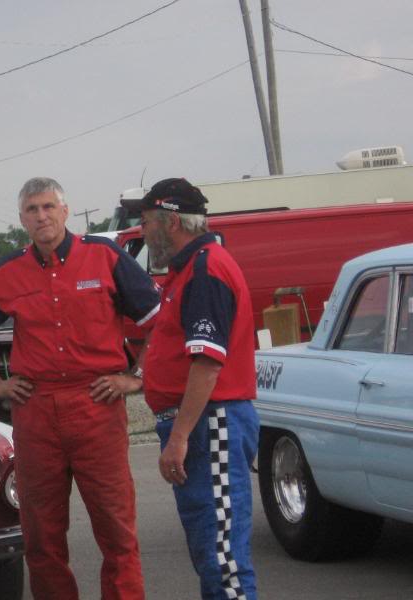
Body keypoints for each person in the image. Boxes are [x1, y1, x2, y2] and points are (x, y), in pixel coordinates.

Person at [0, 177, 160, 600]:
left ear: (65, 211)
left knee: (116, 531)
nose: (42, 215)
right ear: (22, 220)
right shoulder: (9, 271)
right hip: (37, 411)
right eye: (33, 209)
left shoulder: (104, 257)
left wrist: (135, 378)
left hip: (96, 406)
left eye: (49, 206)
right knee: (42, 538)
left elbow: (159, 319)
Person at [135, 178, 259, 599]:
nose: (142, 231)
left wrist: (181, 436)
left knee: (223, 557)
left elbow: (207, 362)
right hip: (204, 424)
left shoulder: (206, 269)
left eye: (146, 220)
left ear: (170, 221)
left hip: (214, 423)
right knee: (210, 550)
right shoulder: (191, 268)